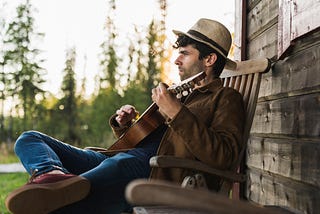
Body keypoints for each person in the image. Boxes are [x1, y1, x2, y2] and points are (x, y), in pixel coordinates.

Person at [5, 18, 245, 214]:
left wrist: (176, 112)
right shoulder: (178, 94)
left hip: (155, 174)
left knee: (76, 195)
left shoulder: (224, 98)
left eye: (185, 53)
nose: (176, 60)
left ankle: (59, 191)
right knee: (30, 139)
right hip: (120, 160)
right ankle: (51, 176)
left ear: (209, 59)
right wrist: (126, 126)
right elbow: (150, 140)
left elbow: (224, 155)